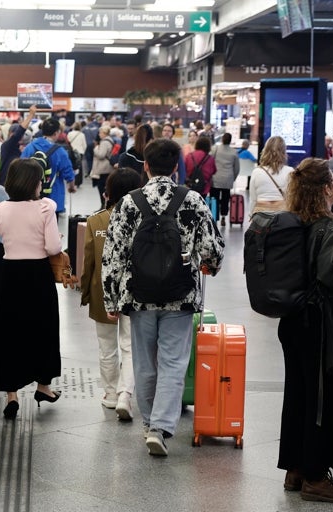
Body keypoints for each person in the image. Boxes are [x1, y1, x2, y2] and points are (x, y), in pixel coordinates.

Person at [102, 138, 224, 456]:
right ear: (175, 167)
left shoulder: (129, 203)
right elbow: (212, 249)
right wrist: (207, 263)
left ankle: (148, 423)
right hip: (180, 295)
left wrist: (111, 299)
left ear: (145, 166)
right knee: (173, 362)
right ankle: (160, 427)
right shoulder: (193, 200)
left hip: (140, 296)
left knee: (144, 362)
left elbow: (113, 254)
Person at [276, 158, 333, 503]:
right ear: (326, 189)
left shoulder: (293, 222)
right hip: (319, 324)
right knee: (325, 399)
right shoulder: (332, 227)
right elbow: (331, 275)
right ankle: (315, 476)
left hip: (292, 319)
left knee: (299, 394)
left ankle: (295, 468)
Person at [0, 158, 64, 421]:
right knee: (44, 329)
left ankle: (11, 395)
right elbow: (53, 248)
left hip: (9, 275)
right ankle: (43, 386)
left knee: (9, 332)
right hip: (38, 275)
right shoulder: (45, 209)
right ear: (33, 183)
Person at [81, 168, 142, 420]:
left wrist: (85, 292)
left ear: (109, 191)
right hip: (134, 291)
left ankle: (110, 394)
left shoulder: (96, 221)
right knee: (129, 346)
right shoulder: (142, 218)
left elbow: (88, 263)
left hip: (101, 291)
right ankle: (126, 394)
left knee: (106, 346)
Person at [21, 117, 77, 216]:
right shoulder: (60, 151)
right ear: (56, 132)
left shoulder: (30, 147)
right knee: (51, 227)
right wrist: (71, 187)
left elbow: (20, 167)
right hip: (53, 195)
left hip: (30, 194)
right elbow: (68, 173)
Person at [249, 136, 294, 213]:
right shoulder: (290, 171)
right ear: (284, 152)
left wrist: (251, 215)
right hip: (283, 215)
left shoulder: (257, 172)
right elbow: (292, 198)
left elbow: (253, 199)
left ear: (265, 150)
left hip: (261, 216)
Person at [0, 106, 38, 184]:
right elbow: (18, 133)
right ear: (10, 134)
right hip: (5, 185)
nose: (21, 136)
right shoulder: (7, 146)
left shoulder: (19, 148)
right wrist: (31, 115)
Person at [210, 133, 240, 225]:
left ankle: (214, 216)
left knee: (214, 197)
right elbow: (237, 168)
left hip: (215, 178)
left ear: (222, 139)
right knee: (225, 199)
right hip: (228, 178)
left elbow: (210, 161)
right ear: (230, 140)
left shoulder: (215, 149)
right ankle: (223, 216)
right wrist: (233, 178)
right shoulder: (234, 152)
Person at [91, 125, 115, 209]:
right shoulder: (110, 140)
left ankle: (104, 206)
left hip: (103, 169)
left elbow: (101, 155)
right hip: (107, 168)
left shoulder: (104, 142)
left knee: (102, 188)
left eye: (100, 132)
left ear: (104, 133)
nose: (99, 134)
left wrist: (96, 148)